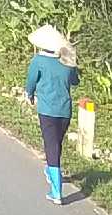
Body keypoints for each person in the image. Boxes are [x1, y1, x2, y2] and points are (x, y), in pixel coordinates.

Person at [24, 25, 79, 205]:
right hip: (65, 111)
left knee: (51, 146)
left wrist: (29, 95)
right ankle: (51, 170)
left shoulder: (38, 60)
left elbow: (31, 81)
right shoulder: (67, 61)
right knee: (56, 143)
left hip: (47, 111)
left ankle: (56, 191)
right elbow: (75, 81)